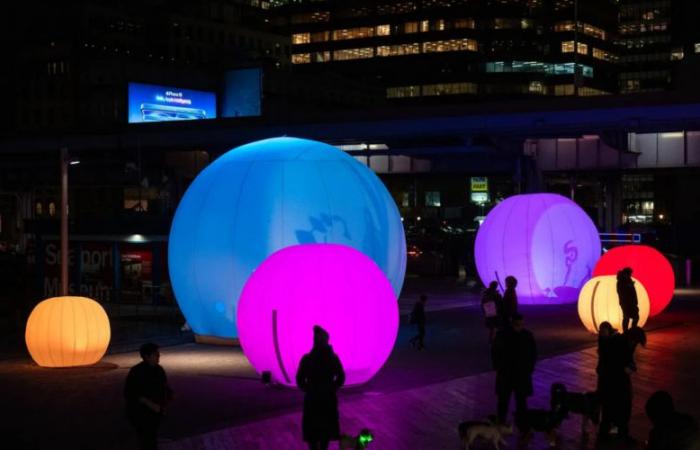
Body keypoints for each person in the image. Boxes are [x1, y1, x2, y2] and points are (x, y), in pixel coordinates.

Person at [296, 326, 346, 450]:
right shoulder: (333, 358)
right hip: (328, 398)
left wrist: (309, 389)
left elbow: (299, 379)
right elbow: (341, 377)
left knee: (312, 432)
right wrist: (332, 388)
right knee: (326, 431)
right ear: (327, 341)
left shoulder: (307, 359)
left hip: (312, 399)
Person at [492, 313, 537, 434]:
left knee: (507, 401)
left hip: (510, 374)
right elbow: (533, 354)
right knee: (516, 401)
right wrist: (529, 368)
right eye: (519, 324)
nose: (520, 327)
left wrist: (498, 368)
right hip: (517, 374)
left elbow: (495, 353)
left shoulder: (503, 335)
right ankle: (520, 425)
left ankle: (504, 424)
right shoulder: (526, 335)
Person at [124, 343, 173, 450]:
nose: (158, 356)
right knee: (146, 437)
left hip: (155, 410)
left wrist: (167, 398)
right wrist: (149, 403)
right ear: (147, 357)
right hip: (141, 412)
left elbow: (163, 386)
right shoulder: (137, 372)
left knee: (152, 435)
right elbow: (130, 393)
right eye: (156, 354)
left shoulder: (159, 369)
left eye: (158, 354)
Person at [596, 321, 635, 443]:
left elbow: (626, 358)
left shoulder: (616, 342)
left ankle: (614, 432)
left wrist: (629, 366)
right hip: (611, 380)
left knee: (615, 408)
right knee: (611, 409)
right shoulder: (605, 342)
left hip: (615, 380)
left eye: (603, 332)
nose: (602, 334)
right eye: (601, 333)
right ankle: (611, 433)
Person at [617, 267, 639, 332]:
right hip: (626, 303)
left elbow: (632, 291)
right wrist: (629, 286)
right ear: (625, 273)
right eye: (629, 274)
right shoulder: (621, 281)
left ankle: (633, 330)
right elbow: (621, 292)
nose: (630, 275)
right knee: (626, 317)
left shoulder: (628, 279)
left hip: (632, 302)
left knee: (635, 317)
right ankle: (626, 332)